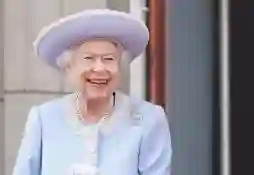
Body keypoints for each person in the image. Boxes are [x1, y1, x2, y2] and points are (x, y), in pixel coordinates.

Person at [12, 9, 172, 175]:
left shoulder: (149, 120)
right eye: (89, 58)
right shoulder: (43, 119)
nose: (99, 68)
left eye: (108, 59)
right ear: (69, 67)